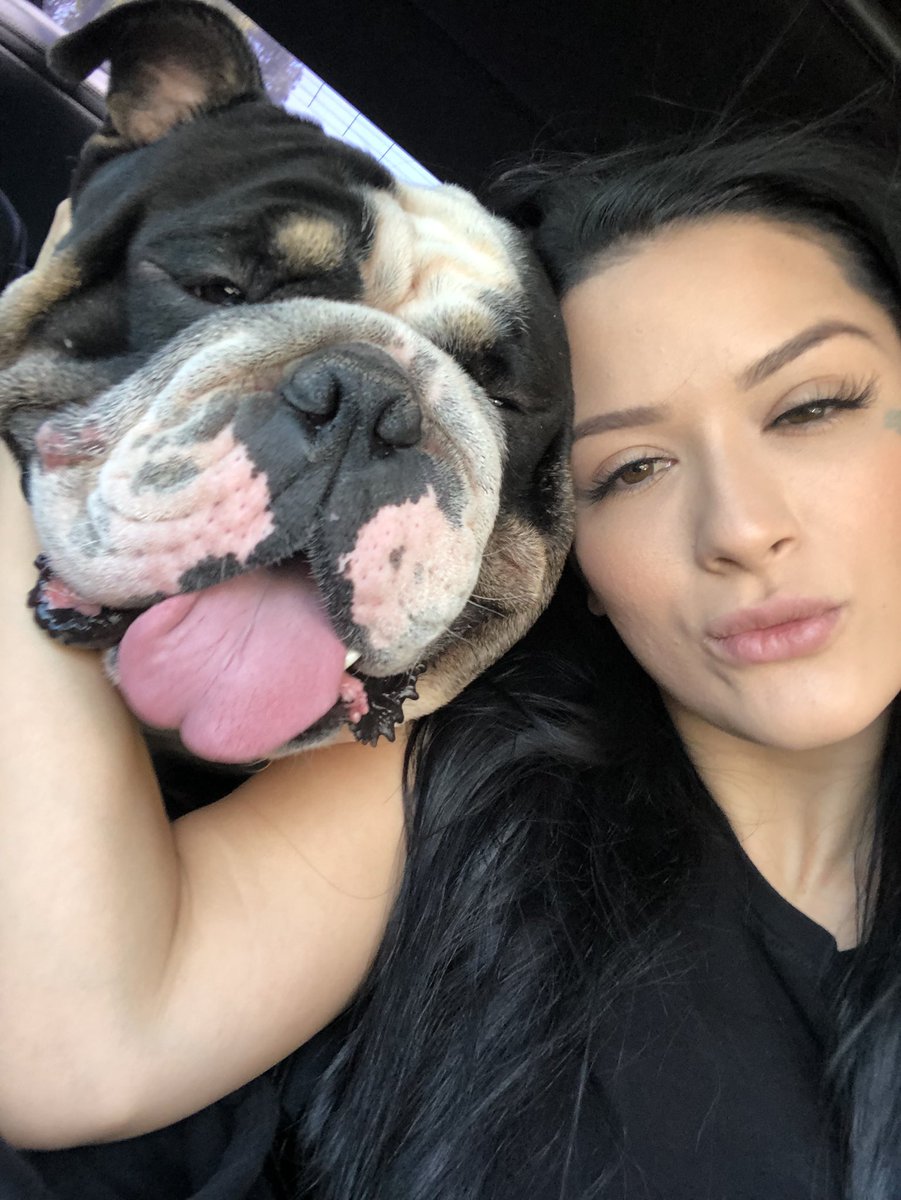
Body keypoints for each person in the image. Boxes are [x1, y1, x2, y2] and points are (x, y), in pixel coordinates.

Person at [3, 126, 901, 1200]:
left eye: (811, 408)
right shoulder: (460, 772)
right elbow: (85, 1039)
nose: (742, 528)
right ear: (575, 550)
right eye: (629, 469)